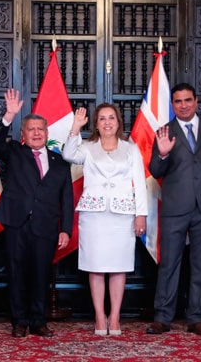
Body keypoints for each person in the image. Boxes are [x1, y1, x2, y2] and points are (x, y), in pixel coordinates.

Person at [146, 83, 201, 336]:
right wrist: (162, 155)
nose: (183, 105)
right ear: (172, 105)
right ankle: (162, 317)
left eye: (187, 100)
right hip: (175, 207)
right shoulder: (164, 131)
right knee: (169, 264)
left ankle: (196, 317)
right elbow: (155, 171)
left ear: (196, 101)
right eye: (178, 101)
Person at [0, 89, 73, 338]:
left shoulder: (60, 162)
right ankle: (19, 321)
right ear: (23, 135)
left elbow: (66, 198)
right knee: (17, 274)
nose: (36, 133)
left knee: (41, 274)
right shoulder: (15, 152)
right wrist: (9, 116)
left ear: (47, 133)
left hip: (46, 226)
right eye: (31, 129)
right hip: (17, 223)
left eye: (40, 129)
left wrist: (65, 230)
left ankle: (38, 321)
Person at [62, 103, 148, 336]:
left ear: (118, 122)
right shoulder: (88, 147)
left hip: (122, 215)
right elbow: (68, 155)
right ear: (96, 124)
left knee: (119, 266)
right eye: (102, 118)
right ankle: (100, 316)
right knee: (96, 266)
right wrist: (75, 128)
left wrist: (140, 214)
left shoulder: (130, 149)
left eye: (111, 118)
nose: (107, 122)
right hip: (94, 215)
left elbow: (140, 183)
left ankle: (115, 316)